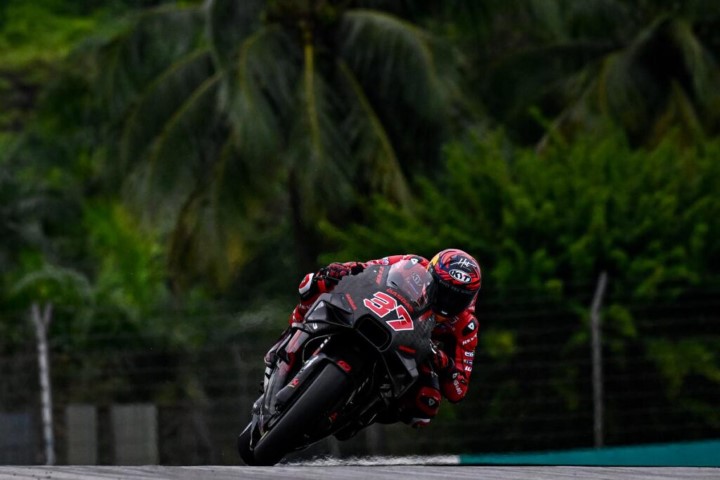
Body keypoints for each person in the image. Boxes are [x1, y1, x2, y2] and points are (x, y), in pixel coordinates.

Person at [264, 248, 482, 428]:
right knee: (313, 284)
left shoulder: (466, 325)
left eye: (456, 298)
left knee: (426, 405)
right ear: (430, 274)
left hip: (415, 352)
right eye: (443, 291)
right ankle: (288, 342)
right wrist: (342, 269)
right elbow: (370, 269)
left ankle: (363, 412)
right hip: (379, 313)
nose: (447, 302)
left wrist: (443, 362)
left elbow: (458, 390)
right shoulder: (411, 264)